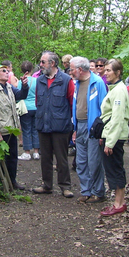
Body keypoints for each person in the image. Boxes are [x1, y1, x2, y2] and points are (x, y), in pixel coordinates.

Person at [32, 51, 75, 198]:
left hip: (60, 125)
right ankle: (47, 185)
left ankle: (65, 186)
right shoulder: (40, 80)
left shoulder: (66, 80)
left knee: (61, 158)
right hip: (43, 124)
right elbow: (38, 100)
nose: (41, 65)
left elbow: (71, 103)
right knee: (45, 157)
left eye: (43, 62)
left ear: (53, 63)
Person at [0, 65, 29, 190]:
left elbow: (21, 95)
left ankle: (12, 181)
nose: (7, 72)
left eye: (8, 70)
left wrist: (25, 86)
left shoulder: (9, 87)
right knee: (0, 158)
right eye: (4, 71)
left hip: (11, 129)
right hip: (1, 130)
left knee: (13, 157)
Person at [70, 56, 108, 204]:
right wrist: (74, 129)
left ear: (80, 69)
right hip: (79, 126)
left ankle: (98, 192)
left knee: (94, 161)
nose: (71, 72)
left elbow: (104, 110)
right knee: (81, 161)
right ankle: (86, 191)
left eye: (72, 69)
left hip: (93, 127)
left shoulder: (97, 83)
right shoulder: (77, 84)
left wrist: (101, 132)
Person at [99, 59, 129, 217]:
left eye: (109, 70)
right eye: (106, 70)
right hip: (110, 134)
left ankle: (119, 204)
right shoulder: (114, 88)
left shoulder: (119, 90)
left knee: (116, 169)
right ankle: (118, 202)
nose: (106, 73)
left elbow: (117, 118)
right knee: (113, 169)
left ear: (118, 73)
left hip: (115, 137)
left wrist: (109, 142)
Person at [17, 61, 40, 161]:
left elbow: (18, 95)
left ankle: (27, 152)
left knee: (26, 130)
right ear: (31, 69)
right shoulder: (37, 81)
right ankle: (36, 152)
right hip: (36, 107)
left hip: (25, 108)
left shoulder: (19, 82)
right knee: (35, 129)